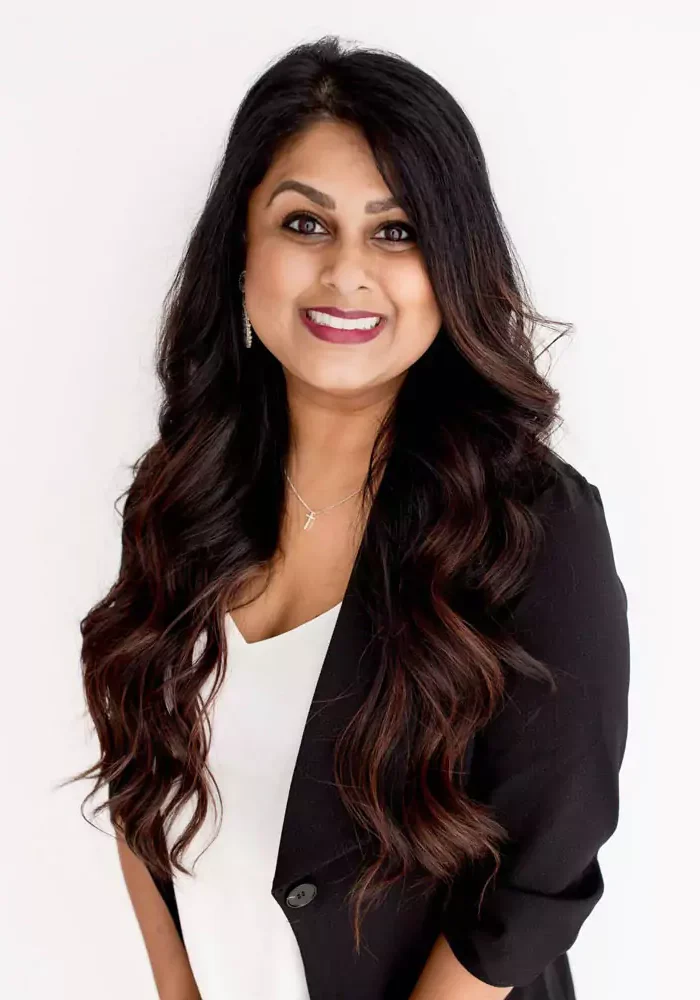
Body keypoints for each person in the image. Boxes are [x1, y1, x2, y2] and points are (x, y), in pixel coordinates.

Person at [73, 35, 630, 1000]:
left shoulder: (530, 524)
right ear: (240, 248)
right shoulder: (180, 497)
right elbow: (141, 782)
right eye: (304, 224)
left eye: (396, 231)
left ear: (450, 268)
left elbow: (545, 871)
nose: (346, 272)